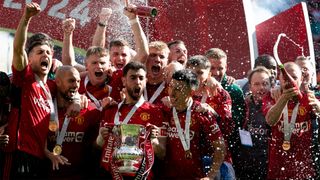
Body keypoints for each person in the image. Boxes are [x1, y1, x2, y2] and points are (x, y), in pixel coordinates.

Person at [6, 3, 82, 178]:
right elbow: (18, 49)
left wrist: (77, 99)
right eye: (40, 52)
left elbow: (74, 85)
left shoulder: (52, 87)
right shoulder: (24, 78)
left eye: (49, 52)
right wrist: (26, 18)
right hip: (19, 153)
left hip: (41, 157)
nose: (46, 55)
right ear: (29, 58)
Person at [96, 61, 164, 179]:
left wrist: (154, 141)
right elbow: (96, 150)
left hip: (142, 176)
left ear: (145, 81)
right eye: (133, 77)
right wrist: (100, 139)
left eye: (141, 78)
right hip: (111, 175)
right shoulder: (110, 110)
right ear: (123, 81)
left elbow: (162, 154)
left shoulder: (155, 112)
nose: (137, 82)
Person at [160, 69, 225, 179]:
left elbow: (220, 147)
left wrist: (210, 176)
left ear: (191, 91)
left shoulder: (201, 113)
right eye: (171, 86)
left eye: (179, 88)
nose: (172, 92)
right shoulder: (165, 111)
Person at [264, 62, 319, 179]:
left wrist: (318, 107)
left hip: (303, 168)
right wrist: (283, 98)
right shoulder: (272, 97)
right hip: (277, 167)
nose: (289, 81)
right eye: (285, 77)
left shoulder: (310, 98)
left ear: (301, 78)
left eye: (293, 77)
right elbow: (271, 121)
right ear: (279, 78)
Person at [44, 66, 101, 179]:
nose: (76, 85)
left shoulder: (89, 110)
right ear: (58, 82)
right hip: (45, 174)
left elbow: (95, 148)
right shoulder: (44, 107)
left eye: (78, 81)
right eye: (71, 80)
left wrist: (101, 140)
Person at [186, 55, 235, 179]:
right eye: (191, 72)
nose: (194, 76)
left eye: (199, 72)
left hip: (217, 159)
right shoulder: (181, 91)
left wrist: (212, 112)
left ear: (208, 74)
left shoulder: (219, 94)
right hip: (189, 158)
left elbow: (229, 129)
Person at [205, 48, 246, 176]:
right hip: (199, 153)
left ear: (226, 67)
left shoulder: (233, 90)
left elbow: (236, 124)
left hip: (225, 154)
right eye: (212, 68)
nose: (217, 72)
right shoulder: (197, 87)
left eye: (220, 68)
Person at [237, 67, 272, 179]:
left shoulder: (277, 103)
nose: (261, 87)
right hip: (248, 164)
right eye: (256, 84)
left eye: (265, 83)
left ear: (271, 86)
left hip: (270, 163)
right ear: (250, 86)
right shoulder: (244, 104)